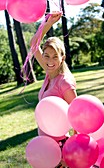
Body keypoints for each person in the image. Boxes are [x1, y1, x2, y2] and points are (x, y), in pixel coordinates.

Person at [30, 11, 77, 168]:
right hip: (46, 150)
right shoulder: (50, 73)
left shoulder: (64, 82)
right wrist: (48, 23)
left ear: (62, 57)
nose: (50, 61)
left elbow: (78, 120)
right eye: (47, 56)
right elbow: (34, 44)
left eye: (55, 56)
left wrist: (68, 155)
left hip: (61, 151)